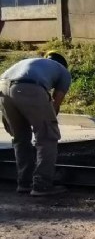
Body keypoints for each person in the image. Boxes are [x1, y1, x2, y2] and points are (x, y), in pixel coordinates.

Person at [0, 51, 71, 195]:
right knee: (47, 137)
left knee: (20, 138)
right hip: (30, 87)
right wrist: (48, 122)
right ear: (63, 65)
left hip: (3, 87)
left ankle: (24, 183)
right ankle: (42, 185)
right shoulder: (64, 72)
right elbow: (55, 105)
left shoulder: (34, 63)